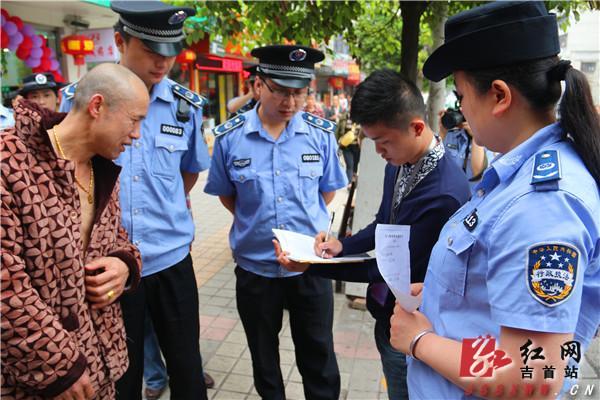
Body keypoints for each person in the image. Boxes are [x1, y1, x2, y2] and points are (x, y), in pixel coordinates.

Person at [389, 1, 600, 399]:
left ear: (499, 96)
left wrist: (420, 341)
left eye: (462, 95)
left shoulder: (544, 204)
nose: (462, 110)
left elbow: (532, 373)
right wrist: (440, 293)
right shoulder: (518, 172)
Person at [276, 69, 470, 399]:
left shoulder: (443, 194)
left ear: (417, 127)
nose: (379, 152)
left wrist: (311, 266)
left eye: (383, 142)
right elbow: (384, 225)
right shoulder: (400, 160)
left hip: (419, 326)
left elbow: (389, 269)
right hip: (389, 313)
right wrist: (342, 245)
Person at [59, 2, 212, 399]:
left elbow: (189, 171)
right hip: (107, 267)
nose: (163, 63)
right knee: (120, 374)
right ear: (121, 41)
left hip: (171, 259)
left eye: (171, 52)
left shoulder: (185, 107)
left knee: (187, 369)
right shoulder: (81, 99)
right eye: (151, 51)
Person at [205, 44, 347, 400]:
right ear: (258, 86)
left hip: (310, 268)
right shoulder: (230, 138)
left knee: (318, 356)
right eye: (281, 91)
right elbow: (228, 196)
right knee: (264, 360)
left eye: (299, 93)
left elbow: (326, 193)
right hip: (256, 269)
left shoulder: (320, 134)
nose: (291, 102)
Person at [1, 63, 147, 399]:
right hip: (37, 382)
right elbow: (5, 287)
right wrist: (58, 368)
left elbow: (117, 238)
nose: (138, 134)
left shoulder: (100, 167)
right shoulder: (9, 162)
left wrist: (124, 264)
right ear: (97, 106)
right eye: (135, 119)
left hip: (101, 368)